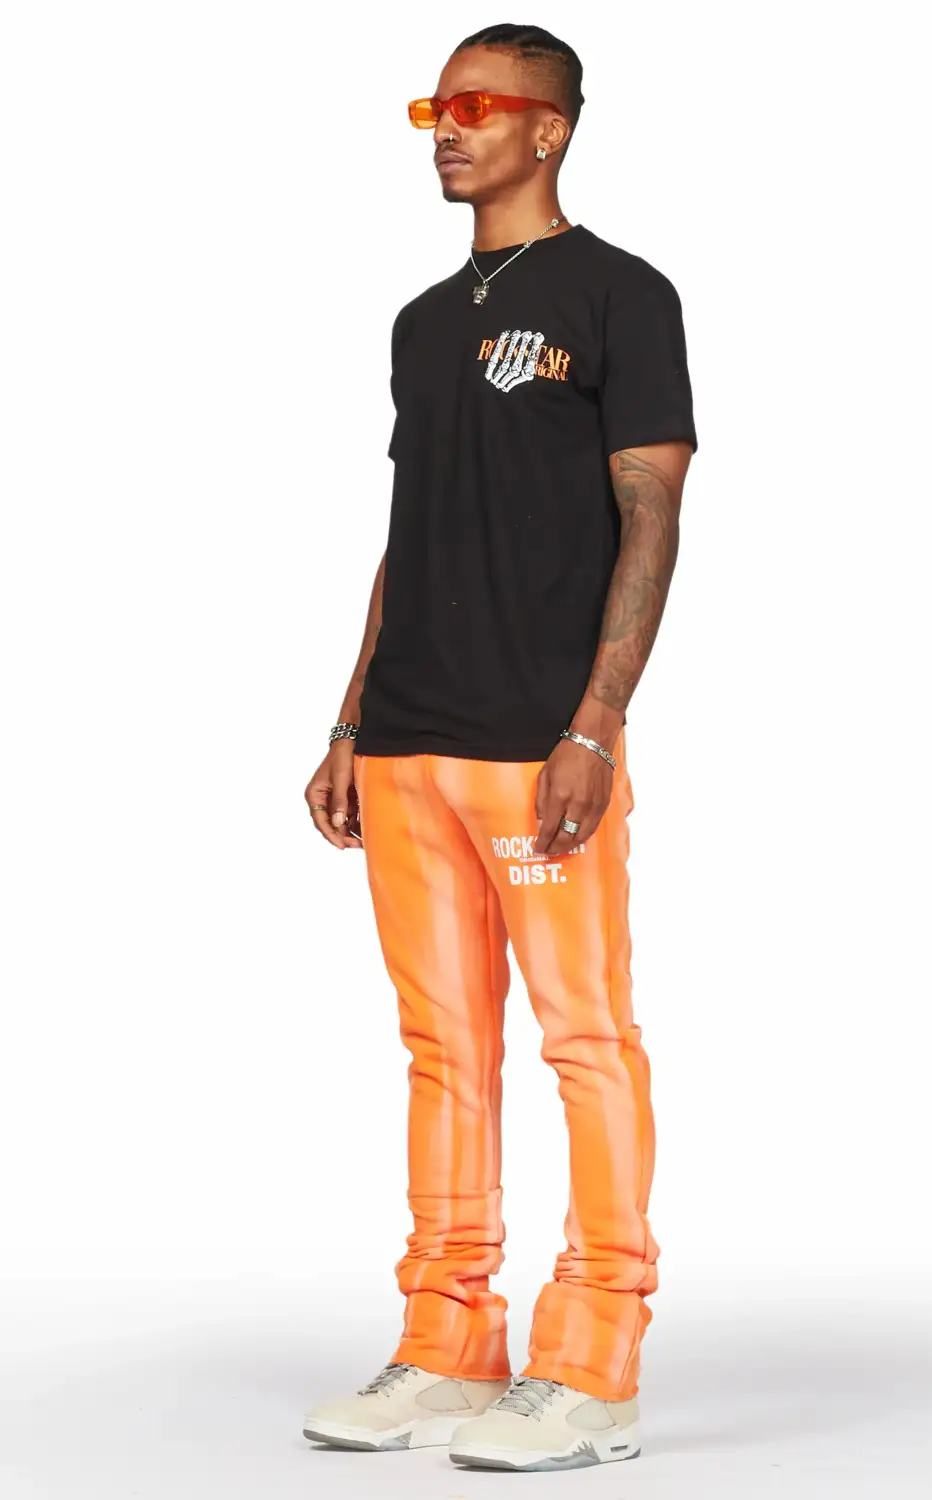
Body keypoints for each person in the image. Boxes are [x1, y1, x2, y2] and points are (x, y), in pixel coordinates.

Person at [302, 22, 697, 1474]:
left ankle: (593, 1364)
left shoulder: (623, 294)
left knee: (583, 1038)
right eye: (435, 107)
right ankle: (450, 1341)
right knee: (442, 1048)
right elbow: (406, 531)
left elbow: (652, 514)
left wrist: (598, 720)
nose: (449, 129)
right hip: (410, 740)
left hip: (540, 743)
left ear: (550, 130)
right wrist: (351, 717)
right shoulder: (420, 322)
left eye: (478, 106)